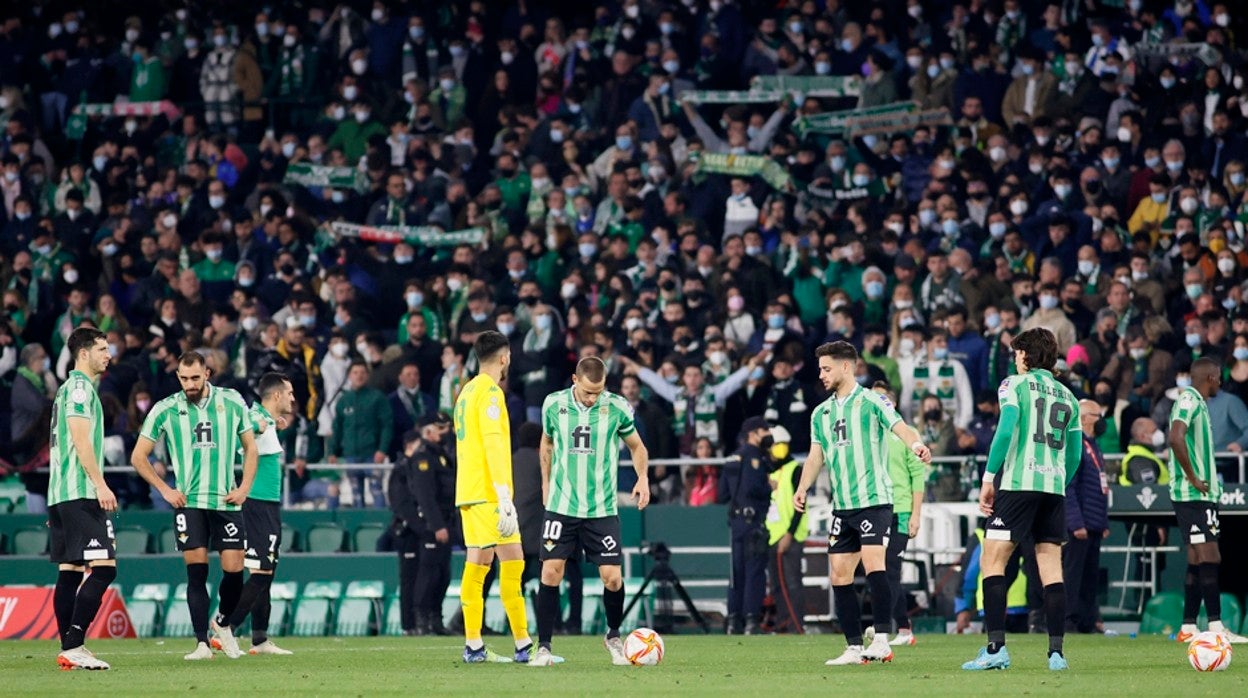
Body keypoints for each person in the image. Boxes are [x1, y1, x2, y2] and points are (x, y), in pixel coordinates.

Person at [793, 341, 932, 666]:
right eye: (820, 369)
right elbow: (816, 456)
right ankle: (854, 647)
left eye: (827, 368)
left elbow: (901, 427)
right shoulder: (821, 413)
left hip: (874, 501)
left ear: (846, 367)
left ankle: (882, 640)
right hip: (843, 505)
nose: (821, 374)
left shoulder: (872, 401)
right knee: (839, 575)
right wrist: (802, 487)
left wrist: (917, 445)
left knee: (874, 566)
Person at [963, 328, 1080, 672]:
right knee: (1051, 568)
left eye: (1017, 353)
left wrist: (989, 478)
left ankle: (996, 648)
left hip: (1018, 484)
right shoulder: (1069, 396)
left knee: (993, 560)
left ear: (1026, 355)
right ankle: (1056, 653)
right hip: (1053, 489)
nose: (1014, 359)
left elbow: (1006, 428)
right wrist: (1056, 481)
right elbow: (1074, 455)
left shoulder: (1013, 384)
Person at [130, 351, 259, 661]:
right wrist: (165, 490)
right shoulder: (165, 408)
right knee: (196, 573)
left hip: (225, 500)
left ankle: (223, 624)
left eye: (195, 378)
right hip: (188, 502)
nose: (189, 384)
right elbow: (138, 456)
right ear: (178, 377)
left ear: (207, 374)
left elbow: (250, 447)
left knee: (234, 572)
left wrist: (244, 488)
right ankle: (202, 643)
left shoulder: (231, 401)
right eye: (184, 378)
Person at [530, 356, 650, 667]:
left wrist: (643, 477)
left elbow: (637, 446)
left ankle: (613, 635)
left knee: (612, 578)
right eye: (587, 392)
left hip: (601, 507)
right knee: (550, 572)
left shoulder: (617, 407)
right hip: (562, 505)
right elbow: (546, 443)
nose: (592, 398)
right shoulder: (553, 404)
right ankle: (543, 646)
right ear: (574, 380)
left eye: (598, 392)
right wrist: (545, 483)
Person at [453, 330, 531, 663]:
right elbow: (493, 443)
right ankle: (524, 645)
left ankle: (473, 645)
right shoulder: (490, 393)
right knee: (513, 561)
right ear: (504, 358)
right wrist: (503, 494)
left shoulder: (466, 392)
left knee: (477, 564)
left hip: (468, 492)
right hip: (488, 492)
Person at [48, 327, 117, 671]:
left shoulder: (66, 389)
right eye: (102, 349)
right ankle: (73, 642)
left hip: (62, 492)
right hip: (79, 491)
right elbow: (79, 439)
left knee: (71, 570)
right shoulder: (79, 388)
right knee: (104, 568)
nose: (108, 355)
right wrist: (100, 484)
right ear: (84, 353)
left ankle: (70, 647)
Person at [214, 372, 296, 656]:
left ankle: (259, 639)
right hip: (258, 504)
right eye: (289, 393)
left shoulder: (266, 419)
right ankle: (225, 624)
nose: (292, 398)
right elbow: (238, 435)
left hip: (268, 504)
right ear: (277, 395)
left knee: (266, 573)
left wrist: (271, 425)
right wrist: (256, 427)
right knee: (261, 573)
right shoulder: (253, 417)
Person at [1171, 358, 1248, 644]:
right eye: (1218, 377)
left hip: (1201, 494)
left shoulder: (1198, 403)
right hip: (1193, 494)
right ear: (1211, 378)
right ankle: (1216, 626)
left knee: (1196, 558)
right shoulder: (1189, 400)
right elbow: (1175, 437)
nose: (1220, 382)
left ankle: (1188, 626)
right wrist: (1192, 476)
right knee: (1210, 555)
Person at [873, 383, 925, 647]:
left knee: (891, 568)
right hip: (876, 508)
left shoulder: (908, 433)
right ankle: (902, 628)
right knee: (879, 570)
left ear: (892, 404)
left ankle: (890, 627)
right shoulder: (870, 435)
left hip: (901, 510)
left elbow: (918, 475)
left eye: (882, 398)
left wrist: (916, 514)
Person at [719, 416, 774, 636]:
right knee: (754, 572)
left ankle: (733, 621)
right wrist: (769, 486)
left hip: (736, 523)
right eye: (765, 430)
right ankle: (751, 620)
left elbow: (722, 494)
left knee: (736, 573)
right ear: (753, 433)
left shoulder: (732, 458)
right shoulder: (755, 457)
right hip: (753, 523)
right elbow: (753, 488)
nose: (768, 435)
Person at [1064, 400, 1109, 634]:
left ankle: (1087, 621)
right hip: (1079, 525)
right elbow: (1069, 487)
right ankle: (1068, 621)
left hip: (1093, 523)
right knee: (1073, 576)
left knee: (1090, 577)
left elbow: (1099, 488)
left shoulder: (1093, 446)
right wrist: (1075, 522)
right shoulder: (1075, 445)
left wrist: (1102, 522)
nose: (1102, 421)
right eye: (1097, 415)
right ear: (1083, 418)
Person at [410, 413, 455, 636]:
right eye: (440, 429)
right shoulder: (423, 458)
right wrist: (437, 525)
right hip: (433, 526)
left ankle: (436, 618)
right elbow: (425, 496)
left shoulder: (441, 455)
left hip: (447, 520)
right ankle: (421, 620)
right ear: (428, 432)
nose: (445, 433)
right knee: (428, 574)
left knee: (443, 574)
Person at [327, 362, 394, 507]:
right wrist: (332, 451)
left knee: (376, 489)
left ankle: (380, 519)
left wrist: (382, 449)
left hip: (372, 454)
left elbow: (387, 426)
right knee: (356, 492)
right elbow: (337, 428)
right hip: (351, 454)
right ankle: (359, 520)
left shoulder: (377, 398)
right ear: (349, 376)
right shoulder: (344, 400)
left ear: (368, 375)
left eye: (363, 372)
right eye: (355, 372)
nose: (359, 376)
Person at [764, 425, 806, 634]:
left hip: (791, 536)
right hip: (773, 535)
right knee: (777, 586)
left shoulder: (795, 470)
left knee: (792, 583)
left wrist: (789, 533)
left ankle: (796, 626)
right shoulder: (771, 472)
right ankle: (782, 624)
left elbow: (800, 505)